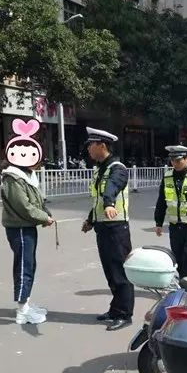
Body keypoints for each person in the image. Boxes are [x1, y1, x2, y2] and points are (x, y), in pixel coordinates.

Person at [1, 118, 54, 325]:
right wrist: (44, 217)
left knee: (29, 264)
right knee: (24, 265)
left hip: (27, 227)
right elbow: (23, 206)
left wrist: (45, 213)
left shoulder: (26, 175)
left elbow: (37, 201)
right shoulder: (13, 177)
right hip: (20, 228)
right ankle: (22, 311)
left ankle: (27, 304)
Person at [81, 127, 135, 331]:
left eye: (90, 145)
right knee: (110, 271)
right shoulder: (100, 169)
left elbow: (112, 188)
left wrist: (110, 204)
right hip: (103, 228)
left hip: (117, 229)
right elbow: (97, 200)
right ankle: (115, 309)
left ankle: (124, 314)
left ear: (101, 146)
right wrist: (90, 220)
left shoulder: (117, 168)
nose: (88, 149)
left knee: (120, 272)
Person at [154, 145, 187, 278]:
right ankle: (183, 282)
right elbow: (162, 201)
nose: (175, 163)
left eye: (178, 160)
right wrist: (158, 222)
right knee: (178, 257)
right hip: (175, 226)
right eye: (172, 160)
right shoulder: (167, 176)